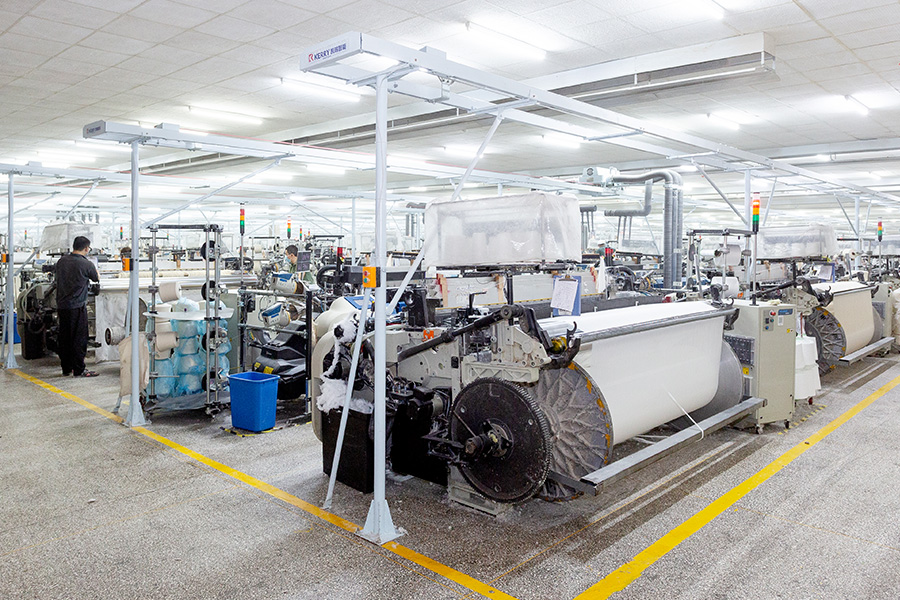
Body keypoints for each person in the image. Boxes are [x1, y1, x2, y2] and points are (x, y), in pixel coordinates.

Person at [56, 236, 100, 377]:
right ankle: (79, 370)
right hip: (77, 306)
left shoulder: (61, 261)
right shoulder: (86, 264)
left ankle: (66, 368)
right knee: (79, 338)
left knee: (64, 338)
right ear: (86, 248)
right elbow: (96, 278)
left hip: (62, 305)